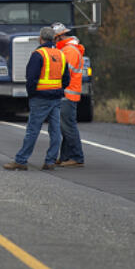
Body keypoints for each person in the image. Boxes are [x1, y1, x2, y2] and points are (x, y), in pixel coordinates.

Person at [3, 26, 70, 171]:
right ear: (53, 39)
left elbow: (31, 79)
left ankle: (21, 160)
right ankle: (50, 161)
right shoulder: (61, 55)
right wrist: (58, 90)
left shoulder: (38, 54)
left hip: (40, 97)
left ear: (41, 38)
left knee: (32, 130)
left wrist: (32, 94)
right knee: (55, 131)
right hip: (56, 97)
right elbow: (66, 79)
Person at [52, 22, 85, 166]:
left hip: (68, 94)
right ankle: (65, 157)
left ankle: (77, 157)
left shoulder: (69, 51)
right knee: (64, 127)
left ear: (59, 37)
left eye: (53, 39)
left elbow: (65, 74)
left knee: (68, 126)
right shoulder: (67, 49)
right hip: (67, 94)